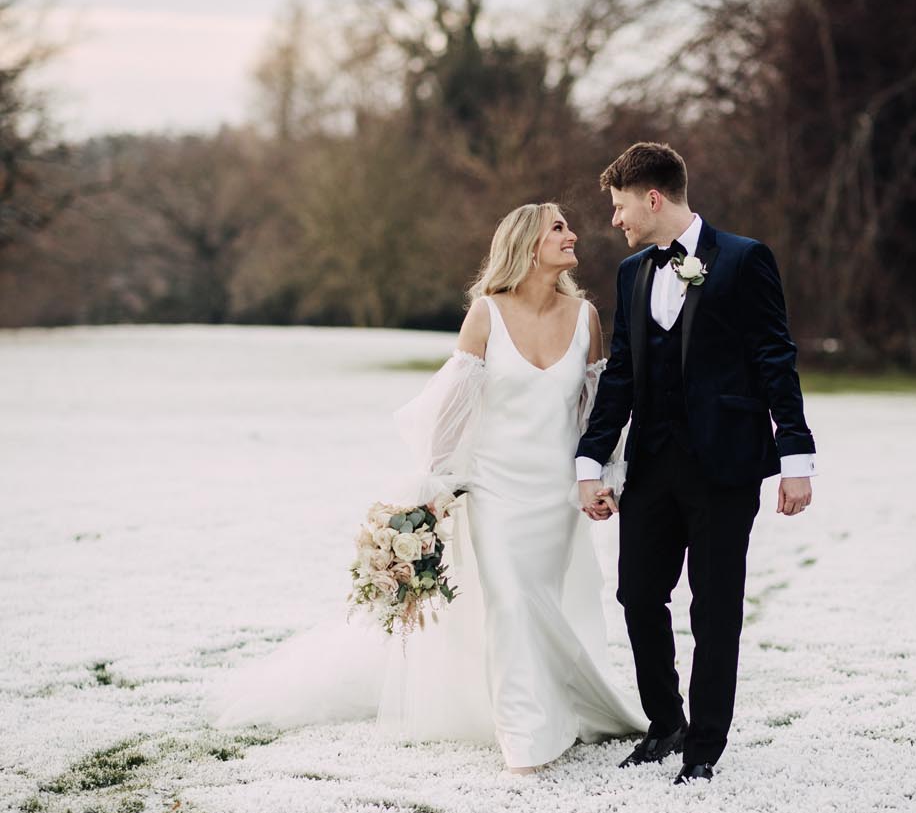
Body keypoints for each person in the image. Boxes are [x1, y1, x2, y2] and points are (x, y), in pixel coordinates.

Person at [210, 202, 644, 773]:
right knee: (511, 604)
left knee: (544, 607)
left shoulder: (585, 316)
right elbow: (449, 414)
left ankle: (575, 703)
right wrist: (433, 489)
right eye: (557, 227)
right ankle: (525, 739)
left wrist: (601, 476)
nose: (572, 234)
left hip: (555, 495)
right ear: (525, 245)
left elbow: (597, 412)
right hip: (493, 490)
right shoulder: (486, 315)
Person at [576, 142, 816, 784]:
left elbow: (775, 360)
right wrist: (590, 460)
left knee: (715, 608)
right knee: (636, 596)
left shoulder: (743, 260)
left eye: (622, 207)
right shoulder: (631, 275)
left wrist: (795, 455)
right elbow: (621, 375)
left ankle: (705, 746)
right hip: (653, 465)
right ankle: (665, 723)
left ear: (653, 198)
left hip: (724, 467)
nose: (617, 221)